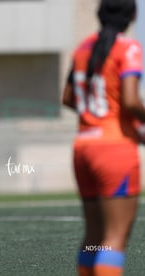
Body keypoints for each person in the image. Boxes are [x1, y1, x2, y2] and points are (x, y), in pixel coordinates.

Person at [62, 0, 143, 275]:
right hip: (114, 149)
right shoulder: (128, 47)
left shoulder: (84, 48)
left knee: (94, 238)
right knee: (114, 239)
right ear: (133, 15)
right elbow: (131, 100)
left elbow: (68, 98)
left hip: (83, 148)